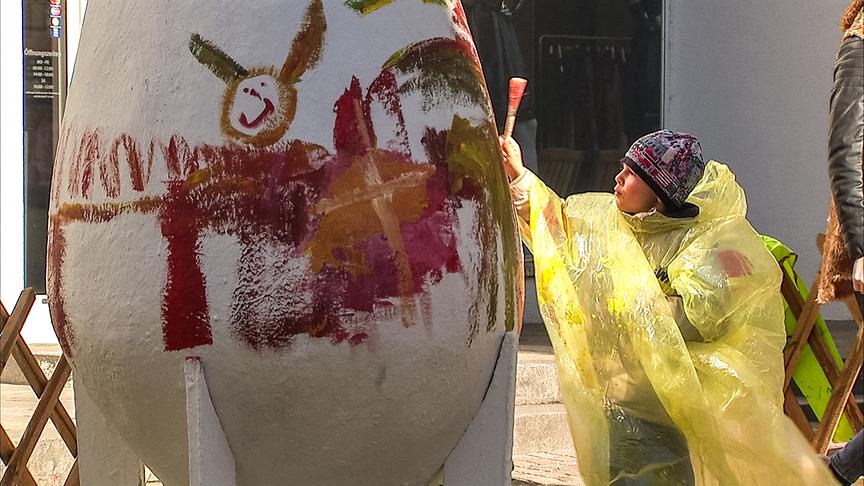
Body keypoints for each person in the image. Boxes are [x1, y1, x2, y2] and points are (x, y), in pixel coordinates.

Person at [499, 130, 838, 485]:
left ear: (658, 195)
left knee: (660, 474)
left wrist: (636, 308)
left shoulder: (703, 244)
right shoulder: (610, 223)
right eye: (622, 168)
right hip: (623, 394)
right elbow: (558, 223)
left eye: (631, 174)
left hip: (669, 404)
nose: (618, 178)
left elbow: (705, 315)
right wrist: (519, 174)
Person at [822, 2, 864, 485]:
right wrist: (860, 244)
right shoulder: (859, 47)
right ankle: (834, 472)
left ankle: (835, 471)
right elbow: (844, 151)